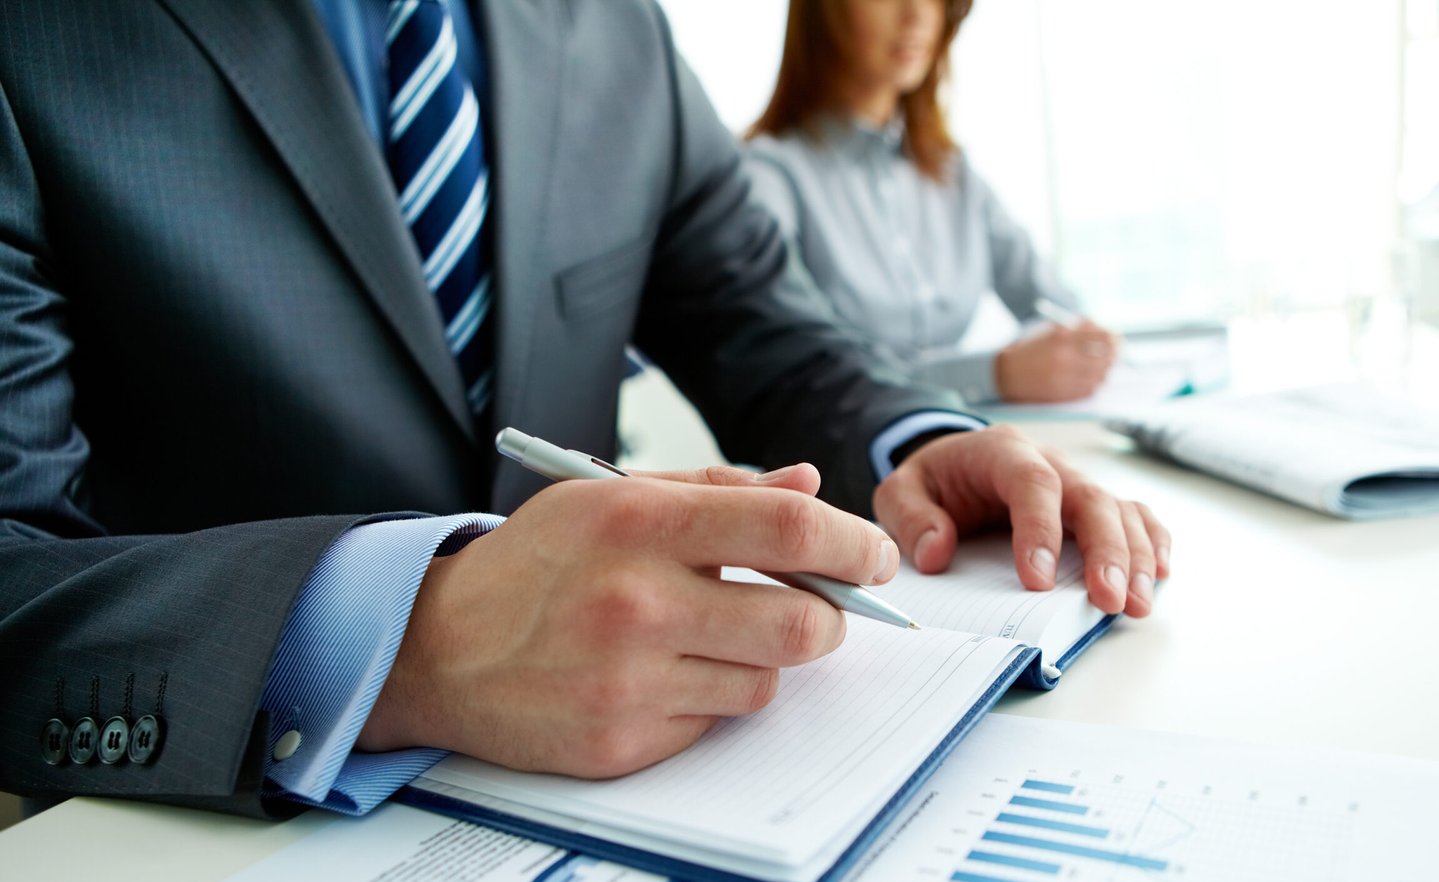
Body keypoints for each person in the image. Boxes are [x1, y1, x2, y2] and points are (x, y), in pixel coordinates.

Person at [0, 0, 1168, 820]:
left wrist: (923, 439)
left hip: (625, 823)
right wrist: (406, 638)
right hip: (205, 846)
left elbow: (764, 327)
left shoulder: (620, 31)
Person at [746, 0, 1116, 406]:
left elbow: (1057, 307)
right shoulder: (767, 175)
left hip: (964, 437)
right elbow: (797, 372)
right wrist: (994, 373)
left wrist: (1070, 352)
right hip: (832, 459)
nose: (917, 15)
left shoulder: (953, 174)